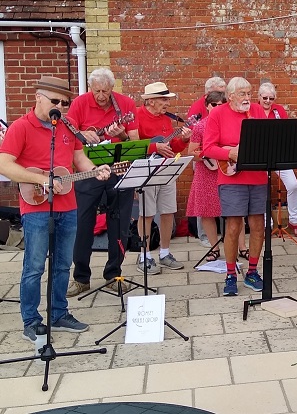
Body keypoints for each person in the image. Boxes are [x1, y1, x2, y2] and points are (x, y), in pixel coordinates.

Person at [0, 75, 112, 342]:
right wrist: (41, 179)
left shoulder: (68, 126)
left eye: (65, 102)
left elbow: (78, 158)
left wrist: (95, 171)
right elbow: (4, 163)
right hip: (36, 205)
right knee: (35, 265)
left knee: (63, 264)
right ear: (38, 98)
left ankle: (59, 313)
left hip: (68, 205)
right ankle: (31, 320)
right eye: (55, 101)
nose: (60, 106)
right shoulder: (20, 127)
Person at [64, 67, 139, 297]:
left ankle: (114, 274)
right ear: (90, 88)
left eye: (105, 91)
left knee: (120, 224)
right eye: (96, 90)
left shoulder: (125, 104)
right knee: (83, 223)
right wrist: (82, 134)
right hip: (89, 170)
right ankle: (81, 278)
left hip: (119, 169)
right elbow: (68, 130)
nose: (100, 95)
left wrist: (122, 134)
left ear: (112, 89)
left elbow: (135, 140)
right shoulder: (80, 103)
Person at [202, 77, 269, 296]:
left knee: (258, 225)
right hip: (231, 178)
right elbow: (208, 148)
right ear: (230, 96)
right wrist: (229, 153)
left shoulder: (258, 111)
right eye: (243, 94)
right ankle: (230, 274)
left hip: (257, 176)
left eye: (249, 93)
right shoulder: (217, 114)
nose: (248, 98)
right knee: (233, 226)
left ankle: (252, 271)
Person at [134, 82, 190, 274]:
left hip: (166, 168)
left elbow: (172, 146)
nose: (167, 103)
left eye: (167, 99)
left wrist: (183, 139)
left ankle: (165, 253)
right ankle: (144, 255)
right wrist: (153, 148)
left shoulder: (167, 119)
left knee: (168, 211)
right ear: (150, 101)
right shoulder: (137, 116)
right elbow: (132, 146)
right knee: (147, 213)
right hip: (146, 169)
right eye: (163, 99)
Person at [253, 82, 297, 237]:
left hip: (278, 153)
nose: (268, 101)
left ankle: (294, 221)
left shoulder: (279, 110)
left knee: (293, 185)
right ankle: (268, 225)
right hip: (259, 154)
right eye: (265, 98)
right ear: (259, 97)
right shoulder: (253, 110)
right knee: (263, 188)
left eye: (271, 98)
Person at [186, 90, 226, 260]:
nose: (217, 108)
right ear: (207, 106)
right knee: (207, 211)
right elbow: (191, 152)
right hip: (206, 170)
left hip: (226, 170)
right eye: (214, 105)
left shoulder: (228, 124)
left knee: (234, 212)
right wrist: (207, 154)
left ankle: (241, 247)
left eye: (221, 105)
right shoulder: (200, 126)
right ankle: (214, 247)